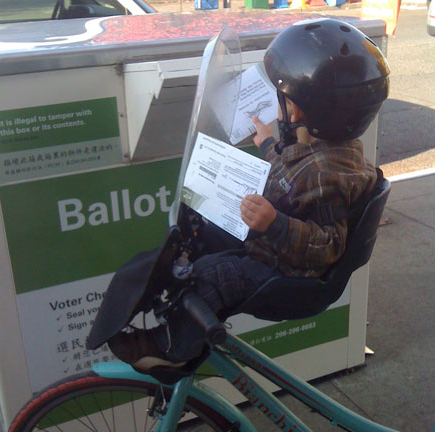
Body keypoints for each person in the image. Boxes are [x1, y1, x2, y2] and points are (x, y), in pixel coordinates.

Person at [109, 18, 390, 373]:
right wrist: (268, 145)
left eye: (282, 100)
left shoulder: (326, 175)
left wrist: (275, 225)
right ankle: (177, 312)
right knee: (203, 239)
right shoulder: (324, 151)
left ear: (300, 110)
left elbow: (327, 247)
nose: (279, 108)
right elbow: (291, 173)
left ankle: (173, 347)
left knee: (213, 275)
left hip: (295, 273)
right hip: (281, 251)